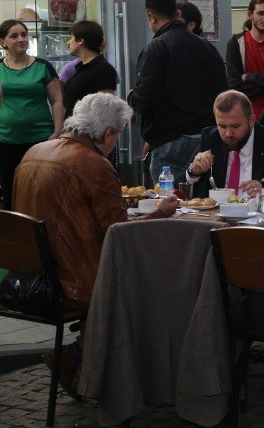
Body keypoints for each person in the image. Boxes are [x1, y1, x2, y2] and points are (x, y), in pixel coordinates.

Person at [13, 93, 177, 395]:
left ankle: (78, 358)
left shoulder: (33, 152)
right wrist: (159, 213)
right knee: (155, 282)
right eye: (117, 137)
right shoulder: (95, 165)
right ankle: (100, 364)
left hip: (26, 276)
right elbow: (119, 234)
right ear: (108, 133)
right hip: (72, 282)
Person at [130, 0, 227, 182]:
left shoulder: (156, 47)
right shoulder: (208, 48)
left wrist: (131, 97)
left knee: (170, 202)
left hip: (169, 140)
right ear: (176, 13)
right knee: (200, 201)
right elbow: (223, 95)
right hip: (205, 140)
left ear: (152, 16)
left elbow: (144, 98)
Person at [0, 19, 64, 210]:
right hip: (6, 139)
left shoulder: (43, 67)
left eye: (24, 34)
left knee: (41, 190)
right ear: (3, 42)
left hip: (40, 140)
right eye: (14, 36)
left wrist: (57, 131)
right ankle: (17, 236)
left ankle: (43, 234)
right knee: (11, 191)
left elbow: (57, 100)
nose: (21, 39)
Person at [184, 91, 264, 198]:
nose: (228, 134)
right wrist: (194, 172)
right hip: (216, 214)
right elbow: (178, 186)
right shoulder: (211, 139)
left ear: (251, 120)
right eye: (222, 126)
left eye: (235, 126)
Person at [62, 21, 118, 118]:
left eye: (71, 37)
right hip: (73, 129)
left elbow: (107, 109)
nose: (68, 42)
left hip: (89, 131)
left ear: (80, 41)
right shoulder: (80, 67)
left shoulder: (103, 69)